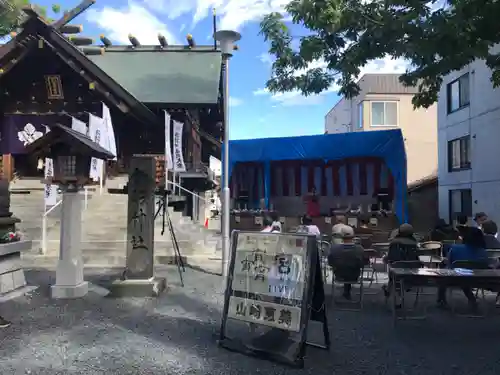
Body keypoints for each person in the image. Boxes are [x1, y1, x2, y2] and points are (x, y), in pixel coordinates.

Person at [437, 227, 490, 309]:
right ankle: (472, 299)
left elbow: (448, 263)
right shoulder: (484, 252)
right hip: (478, 281)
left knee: (448, 273)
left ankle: (441, 300)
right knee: (466, 275)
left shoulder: (455, 248)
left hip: (455, 279)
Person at [328, 225, 365, 300]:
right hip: (354, 276)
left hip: (339, 276)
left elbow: (330, 263)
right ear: (353, 236)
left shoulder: (334, 249)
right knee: (350, 269)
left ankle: (346, 292)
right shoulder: (359, 249)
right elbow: (362, 264)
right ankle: (346, 292)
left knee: (345, 268)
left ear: (341, 236)